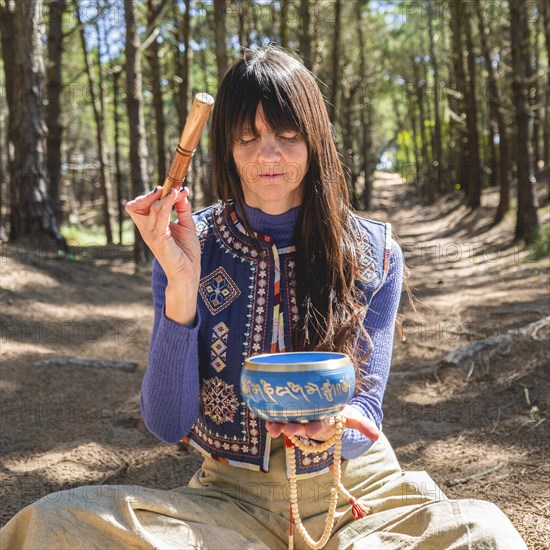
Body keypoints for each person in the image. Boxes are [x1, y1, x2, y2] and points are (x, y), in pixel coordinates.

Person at [0, 46, 526, 550]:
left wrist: (334, 431)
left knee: (485, 533)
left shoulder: (373, 250)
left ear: (314, 138)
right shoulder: (190, 244)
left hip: (361, 497)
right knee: (52, 525)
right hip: (230, 502)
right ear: (225, 145)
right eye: (247, 137)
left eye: (287, 134)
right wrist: (182, 281)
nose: (267, 155)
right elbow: (168, 422)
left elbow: (365, 410)